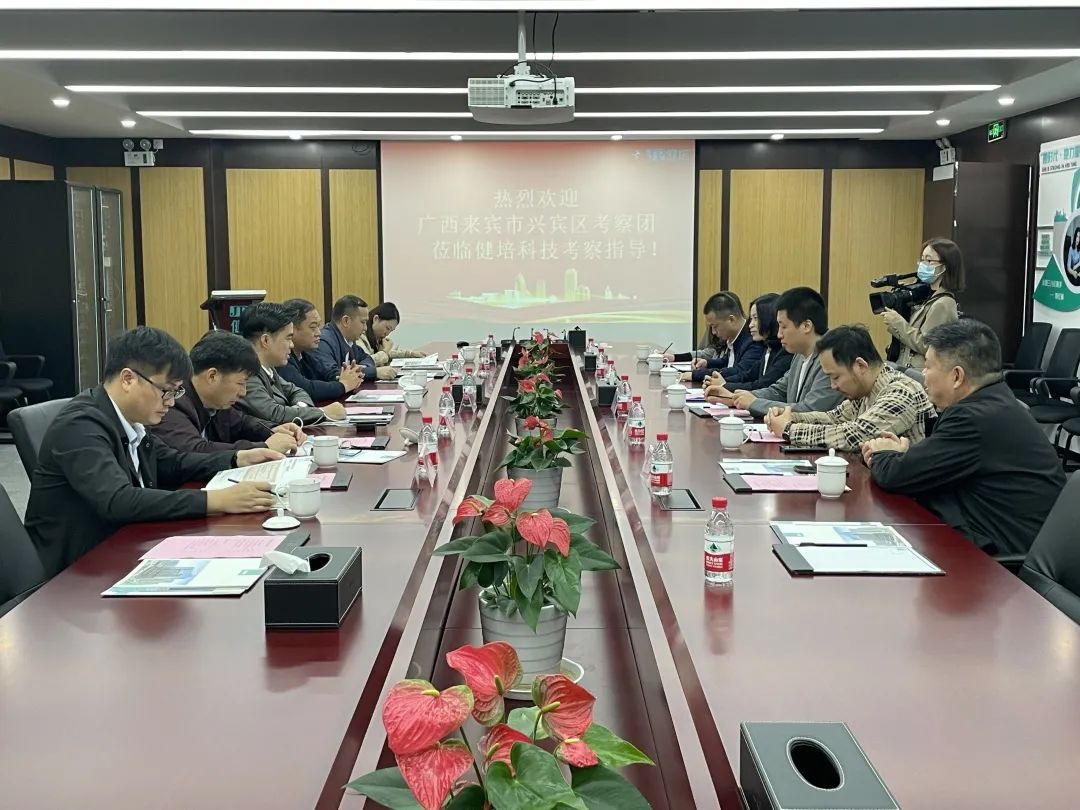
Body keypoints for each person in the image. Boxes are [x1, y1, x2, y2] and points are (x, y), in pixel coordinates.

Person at [24, 326, 280, 578]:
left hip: (123, 545)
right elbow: (118, 500)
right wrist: (215, 500)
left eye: (176, 391)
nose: (171, 401)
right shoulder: (81, 425)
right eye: (166, 391)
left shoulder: (130, 419)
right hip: (78, 570)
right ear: (128, 379)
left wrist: (236, 458)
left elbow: (171, 462)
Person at [862, 319, 1065, 557]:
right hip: (998, 537)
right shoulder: (993, 401)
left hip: (1001, 561)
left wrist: (881, 452)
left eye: (928, 367)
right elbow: (938, 462)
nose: (923, 375)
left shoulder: (973, 418)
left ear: (957, 376)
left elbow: (895, 476)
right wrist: (907, 455)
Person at [763, 325, 935, 452]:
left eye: (836, 377)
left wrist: (789, 430)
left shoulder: (901, 392)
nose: (833, 386)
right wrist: (791, 416)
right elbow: (833, 418)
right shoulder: (866, 391)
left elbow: (854, 435)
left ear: (860, 365)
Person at [152, 330, 305, 455]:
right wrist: (264, 447)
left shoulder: (216, 402)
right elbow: (195, 450)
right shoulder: (173, 401)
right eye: (241, 383)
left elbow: (241, 422)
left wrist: (272, 430)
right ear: (212, 376)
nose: (243, 393)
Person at [727, 286, 843, 418]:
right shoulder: (799, 354)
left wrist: (753, 403)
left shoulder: (831, 357)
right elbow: (779, 391)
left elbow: (810, 410)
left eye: (783, 327)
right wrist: (738, 397)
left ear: (806, 326)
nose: (779, 334)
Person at [235, 303, 346, 425]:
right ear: (266, 340)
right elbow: (274, 414)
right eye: (288, 338)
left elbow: (297, 391)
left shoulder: (268, 368)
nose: (292, 345)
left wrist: (300, 408)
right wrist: (322, 412)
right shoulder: (246, 374)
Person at [881, 237, 964, 370]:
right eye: (922, 259)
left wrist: (898, 323)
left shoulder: (943, 303)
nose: (923, 265)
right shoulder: (928, 296)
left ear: (945, 266)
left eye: (929, 260)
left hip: (921, 374)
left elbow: (927, 345)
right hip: (908, 368)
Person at [704, 292, 792, 400]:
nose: (750, 325)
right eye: (751, 319)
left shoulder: (784, 352)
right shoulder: (768, 348)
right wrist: (719, 382)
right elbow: (747, 375)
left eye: (756, 318)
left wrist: (723, 385)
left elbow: (762, 385)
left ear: (769, 318)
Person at [278, 298, 365, 401]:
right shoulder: (281, 358)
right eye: (313, 327)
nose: (318, 333)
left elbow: (326, 374)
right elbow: (307, 388)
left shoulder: (305, 354)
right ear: (292, 329)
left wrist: (350, 375)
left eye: (318, 326)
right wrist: (343, 385)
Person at [676, 292, 763, 384]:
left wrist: (695, 375)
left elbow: (739, 371)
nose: (713, 332)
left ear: (731, 320)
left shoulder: (753, 339)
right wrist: (707, 363)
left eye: (715, 326)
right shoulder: (734, 336)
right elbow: (727, 362)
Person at [313, 294, 377, 382]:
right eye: (363, 322)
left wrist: (361, 369)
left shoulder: (349, 340)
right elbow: (334, 374)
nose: (365, 328)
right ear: (346, 321)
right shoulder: (323, 341)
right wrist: (374, 372)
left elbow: (366, 358)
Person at [357, 302, 427, 381]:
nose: (387, 334)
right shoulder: (358, 337)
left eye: (391, 330)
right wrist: (385, 350)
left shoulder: (377, 337)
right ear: (376, 319)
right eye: (387, 328)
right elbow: (366, 363)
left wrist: (410, 353)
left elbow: (389, 354)